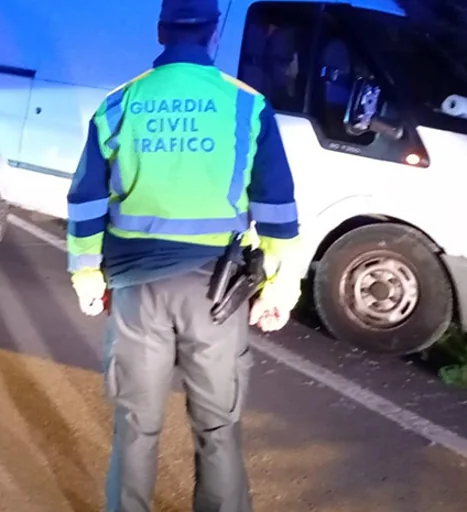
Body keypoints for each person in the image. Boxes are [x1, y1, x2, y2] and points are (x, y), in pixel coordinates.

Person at [64, 0, 302, 510]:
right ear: (215, 34)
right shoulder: (247, 105)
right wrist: (280, 286)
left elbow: (85, 199)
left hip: (135, 290)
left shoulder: (118, 103)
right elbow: (277, 208)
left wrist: (86, 272)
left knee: (136, 427)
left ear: (160, 32)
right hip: (216, 293)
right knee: (218, 427)